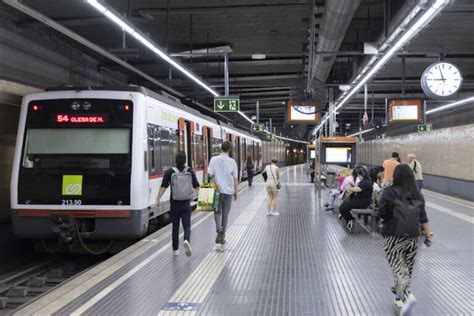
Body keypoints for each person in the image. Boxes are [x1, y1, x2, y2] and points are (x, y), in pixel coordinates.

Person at [378, 164, 432, 315]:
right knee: (406, 270)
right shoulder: (418, 194)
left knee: (398, 268)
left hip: (393, 236)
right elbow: (424, 217)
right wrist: (428, 236)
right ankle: (398, 295)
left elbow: (382, 213)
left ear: (396, 176)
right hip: (413, 237)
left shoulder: (389, 192)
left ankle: (407, 296)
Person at [156, 151, 200, 257]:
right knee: (187, 225)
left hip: (174, 204)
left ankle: (175, 250)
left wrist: (157, 199)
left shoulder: (170, 172)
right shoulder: (190, 171)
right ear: (185, 160)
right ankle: (186, 240)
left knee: (175, 227)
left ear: (175, 160)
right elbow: (196, 186)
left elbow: (163, 186)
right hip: (186, 203)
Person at [208, 141, 239, 250]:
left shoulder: (213, 159)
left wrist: (210, 185)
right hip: (229, 192)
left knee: (217, 211)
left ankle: (219, 229)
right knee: (225, 215)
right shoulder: (232, 162)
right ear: (229, 149)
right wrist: (236, 191)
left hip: (217, 191)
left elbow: (209, 174)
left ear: (221, 148)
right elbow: (235, 178)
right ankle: (223, 236)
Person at [338, 167, 373, 232]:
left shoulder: (366, 182)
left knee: (342, 208)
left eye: (359, 175)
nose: (358, 177)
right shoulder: (364, 181)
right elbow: (358, 188)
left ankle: (350, 220)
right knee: (342, 207)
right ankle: (350, 220)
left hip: (363, 202)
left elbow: (358, 189)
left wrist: (350, 189)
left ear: (361, 175)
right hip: (359, 200)